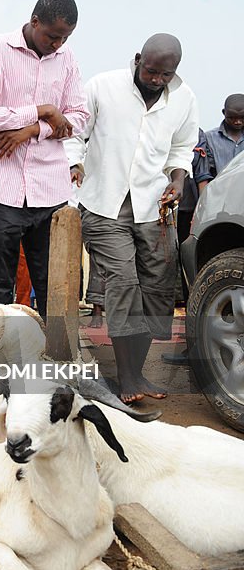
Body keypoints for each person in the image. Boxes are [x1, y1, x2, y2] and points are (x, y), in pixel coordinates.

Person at [67, 34, 198, 403]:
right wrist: (75, 163)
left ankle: (136, 372)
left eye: (165, 74)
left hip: (153, 207)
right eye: (151, 71)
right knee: (123, 283)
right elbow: (77, 133)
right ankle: (126, 377)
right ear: (138, 59)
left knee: (157, 287)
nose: (156, 79)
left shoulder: (185, 99)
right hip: (104, 203)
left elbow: (182, 148)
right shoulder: (102, 86)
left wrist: (177, 178)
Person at [0, 0, 89, 317]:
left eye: (65, 38)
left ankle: (57, 363)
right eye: (52, 36)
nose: (57, 45)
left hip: (51, 189)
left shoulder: (68, 60)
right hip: (3, 190)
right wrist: (42, 111)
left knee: (54, 287)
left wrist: (33, 130)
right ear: (34, 22)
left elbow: (77, 117)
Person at [195, 94, 244, 190]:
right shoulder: (209, 138)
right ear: (224, 113)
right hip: (220, 195)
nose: (238, 122)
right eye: (232, 118)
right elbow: (204, 173)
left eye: (242, 117)